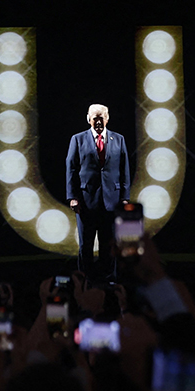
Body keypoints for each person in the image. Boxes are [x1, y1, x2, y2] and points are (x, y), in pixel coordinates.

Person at [66, 104, 130, 283]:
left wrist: (125, 198)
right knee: (85, 246)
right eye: (95, 118)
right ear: (88, 119)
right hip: (86, 202)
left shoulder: (119, 139)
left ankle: (108, 281)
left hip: (111, 202)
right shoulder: (77, 140)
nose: (99, 121)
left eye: (102, 117)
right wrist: (72, 197)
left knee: (108, 245)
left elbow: (124, 170)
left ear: (107, 119)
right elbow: (71, 169)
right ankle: (85, 282)